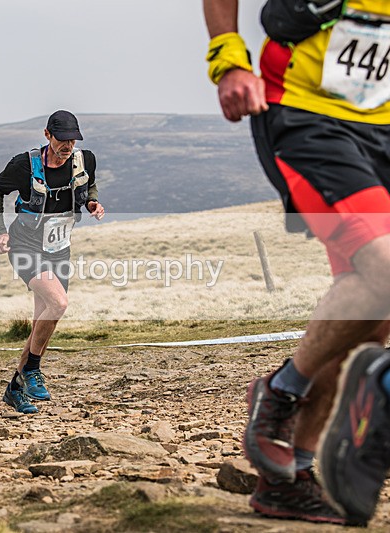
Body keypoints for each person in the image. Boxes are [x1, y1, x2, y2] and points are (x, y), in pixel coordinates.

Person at [203, 0, 390, 525]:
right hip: (307, 112)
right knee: (385, 273)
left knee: (369, 320)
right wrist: (228, 57)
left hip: (384, 123)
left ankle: (289, 480)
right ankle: (279, 391)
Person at [0, 110, 104, 414]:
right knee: (59, 304)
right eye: (62, 140)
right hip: (25, 244)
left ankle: (15, 389)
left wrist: (91, 201)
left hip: (59, 247)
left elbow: (88, 185)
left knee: (42, 324)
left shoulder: (85, 159)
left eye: (72, 140)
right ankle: (32, 370)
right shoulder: (24, 164)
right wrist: (0, 232)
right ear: (47, 135)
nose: (68, 146)